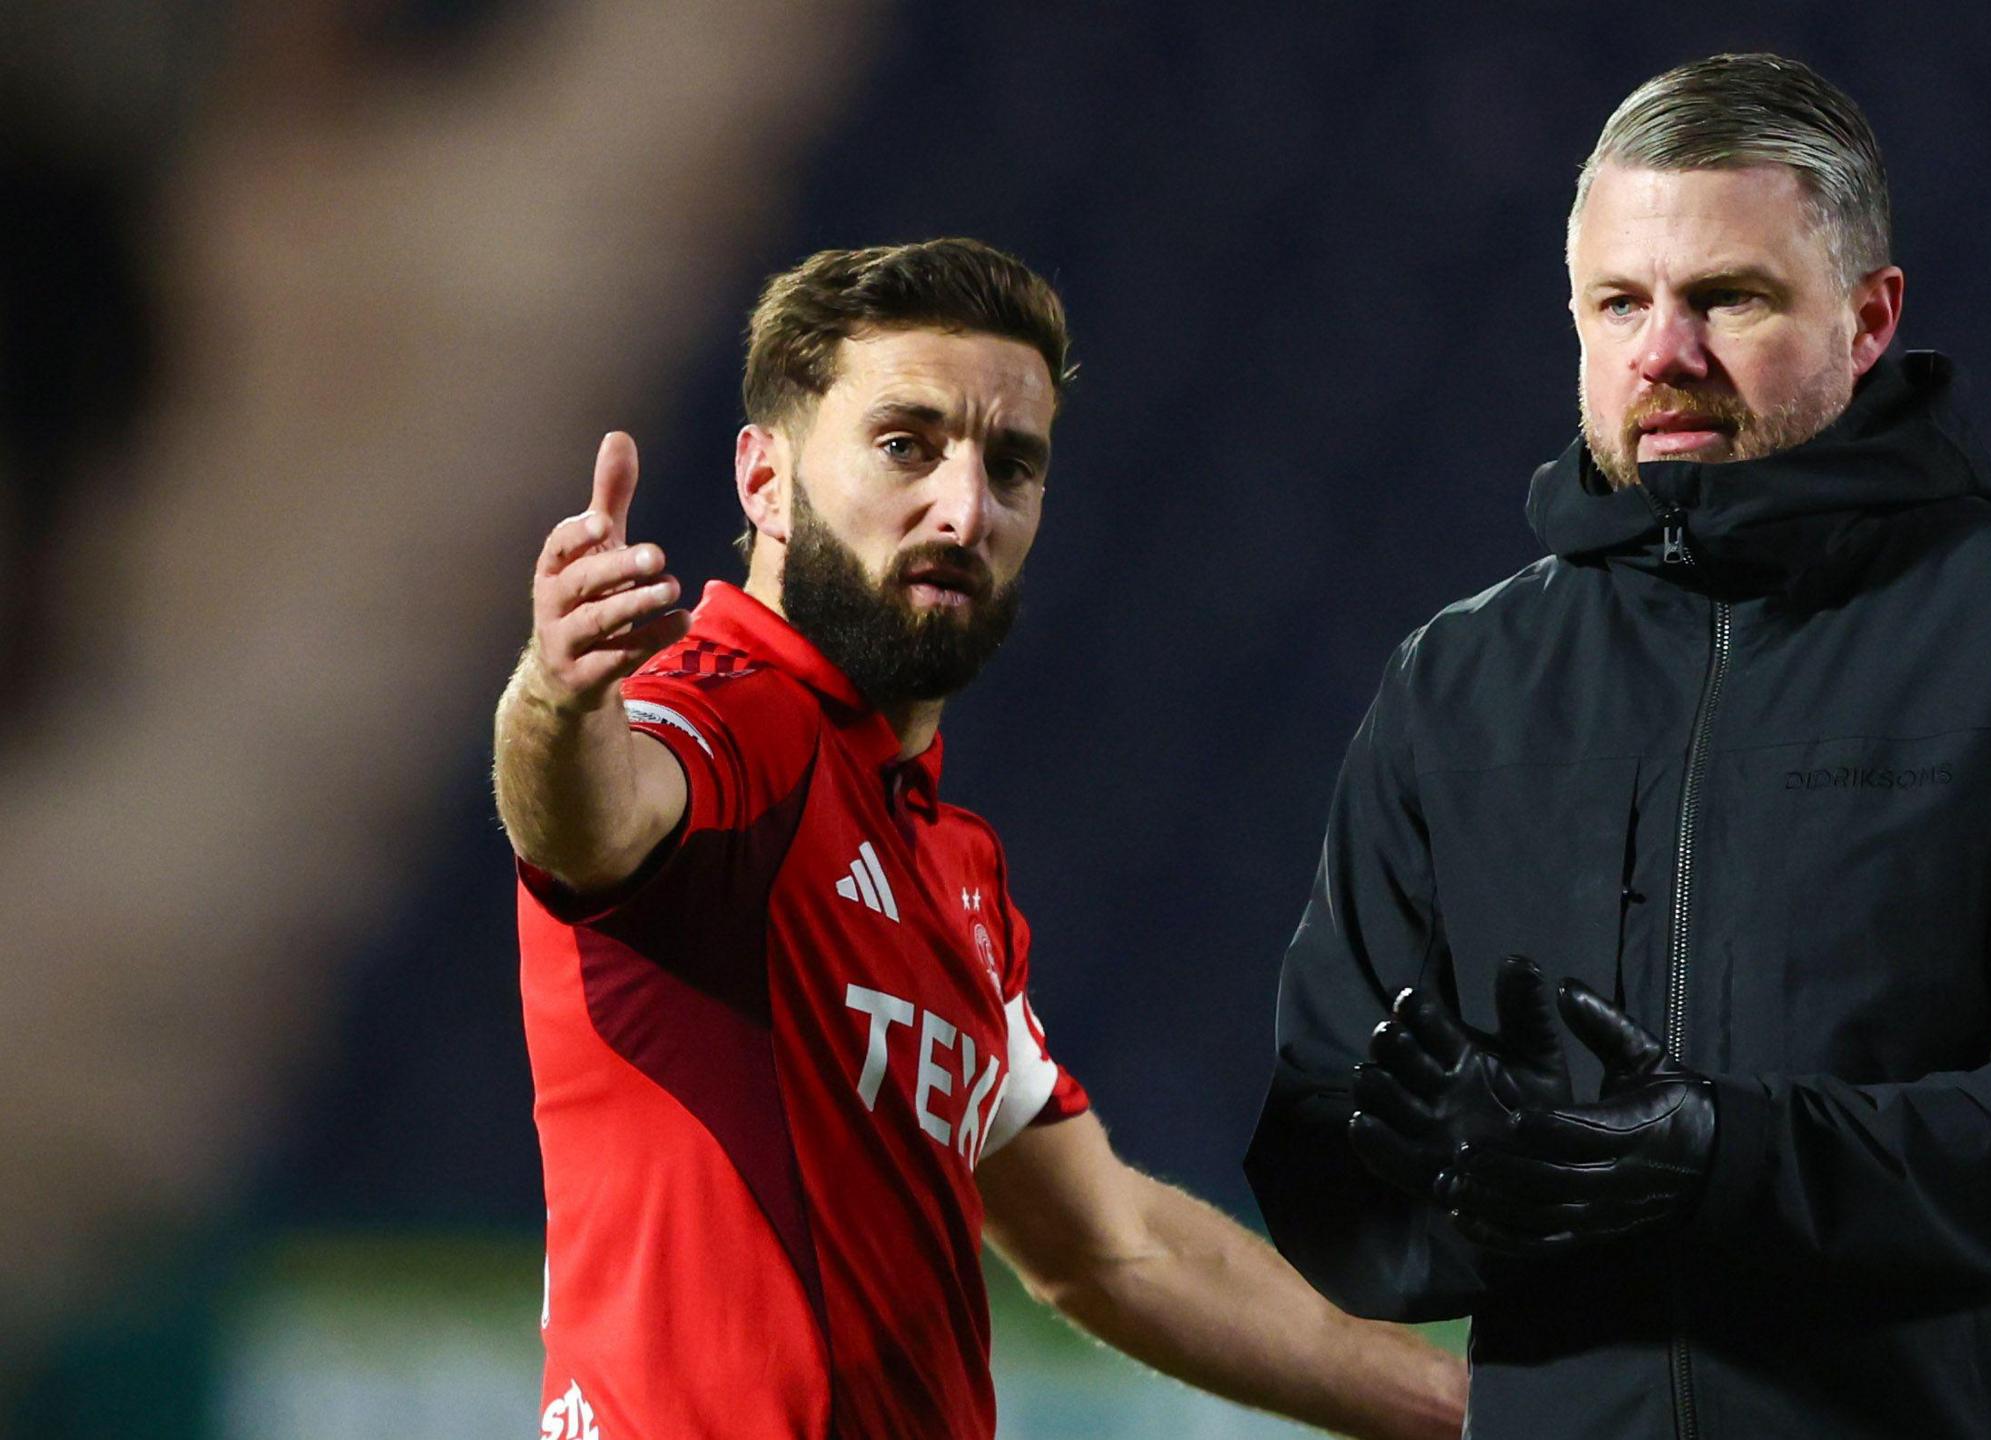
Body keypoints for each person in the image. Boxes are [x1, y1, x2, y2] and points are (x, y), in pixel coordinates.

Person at [1246, 54, 1991, 1440]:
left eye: (1730, 298)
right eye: (1621, 304)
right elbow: (1323, 1147)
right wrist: (1455, 1178)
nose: (1666, 354)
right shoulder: (1458, 683)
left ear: (1870, 316)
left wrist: (1724, 1155)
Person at [494, 240, 1464, 1440]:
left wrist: (1477, 1412)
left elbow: (1111, 1249)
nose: (965, 507)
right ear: (765, 480)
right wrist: (554, 696)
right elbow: (586, 818)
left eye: (1011, 465)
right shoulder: (726, 721)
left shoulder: (949, 865)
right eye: (906, 445)